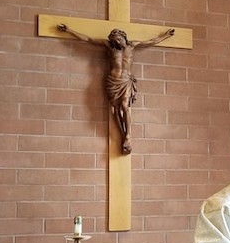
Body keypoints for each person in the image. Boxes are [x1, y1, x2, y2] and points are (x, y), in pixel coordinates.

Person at [56, 24, 175, 155]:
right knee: (115, 110)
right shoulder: (109, 47)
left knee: (125, 105)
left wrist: (165, 36)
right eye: (114, 40)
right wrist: (69, 30)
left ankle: (128, 135)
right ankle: (124, 136)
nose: (116, 42)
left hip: (125, 81)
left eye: (118, 39)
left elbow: (152, 41)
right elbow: (88, 39)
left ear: (124, 37)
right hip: (113, 82)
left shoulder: (132, 46)